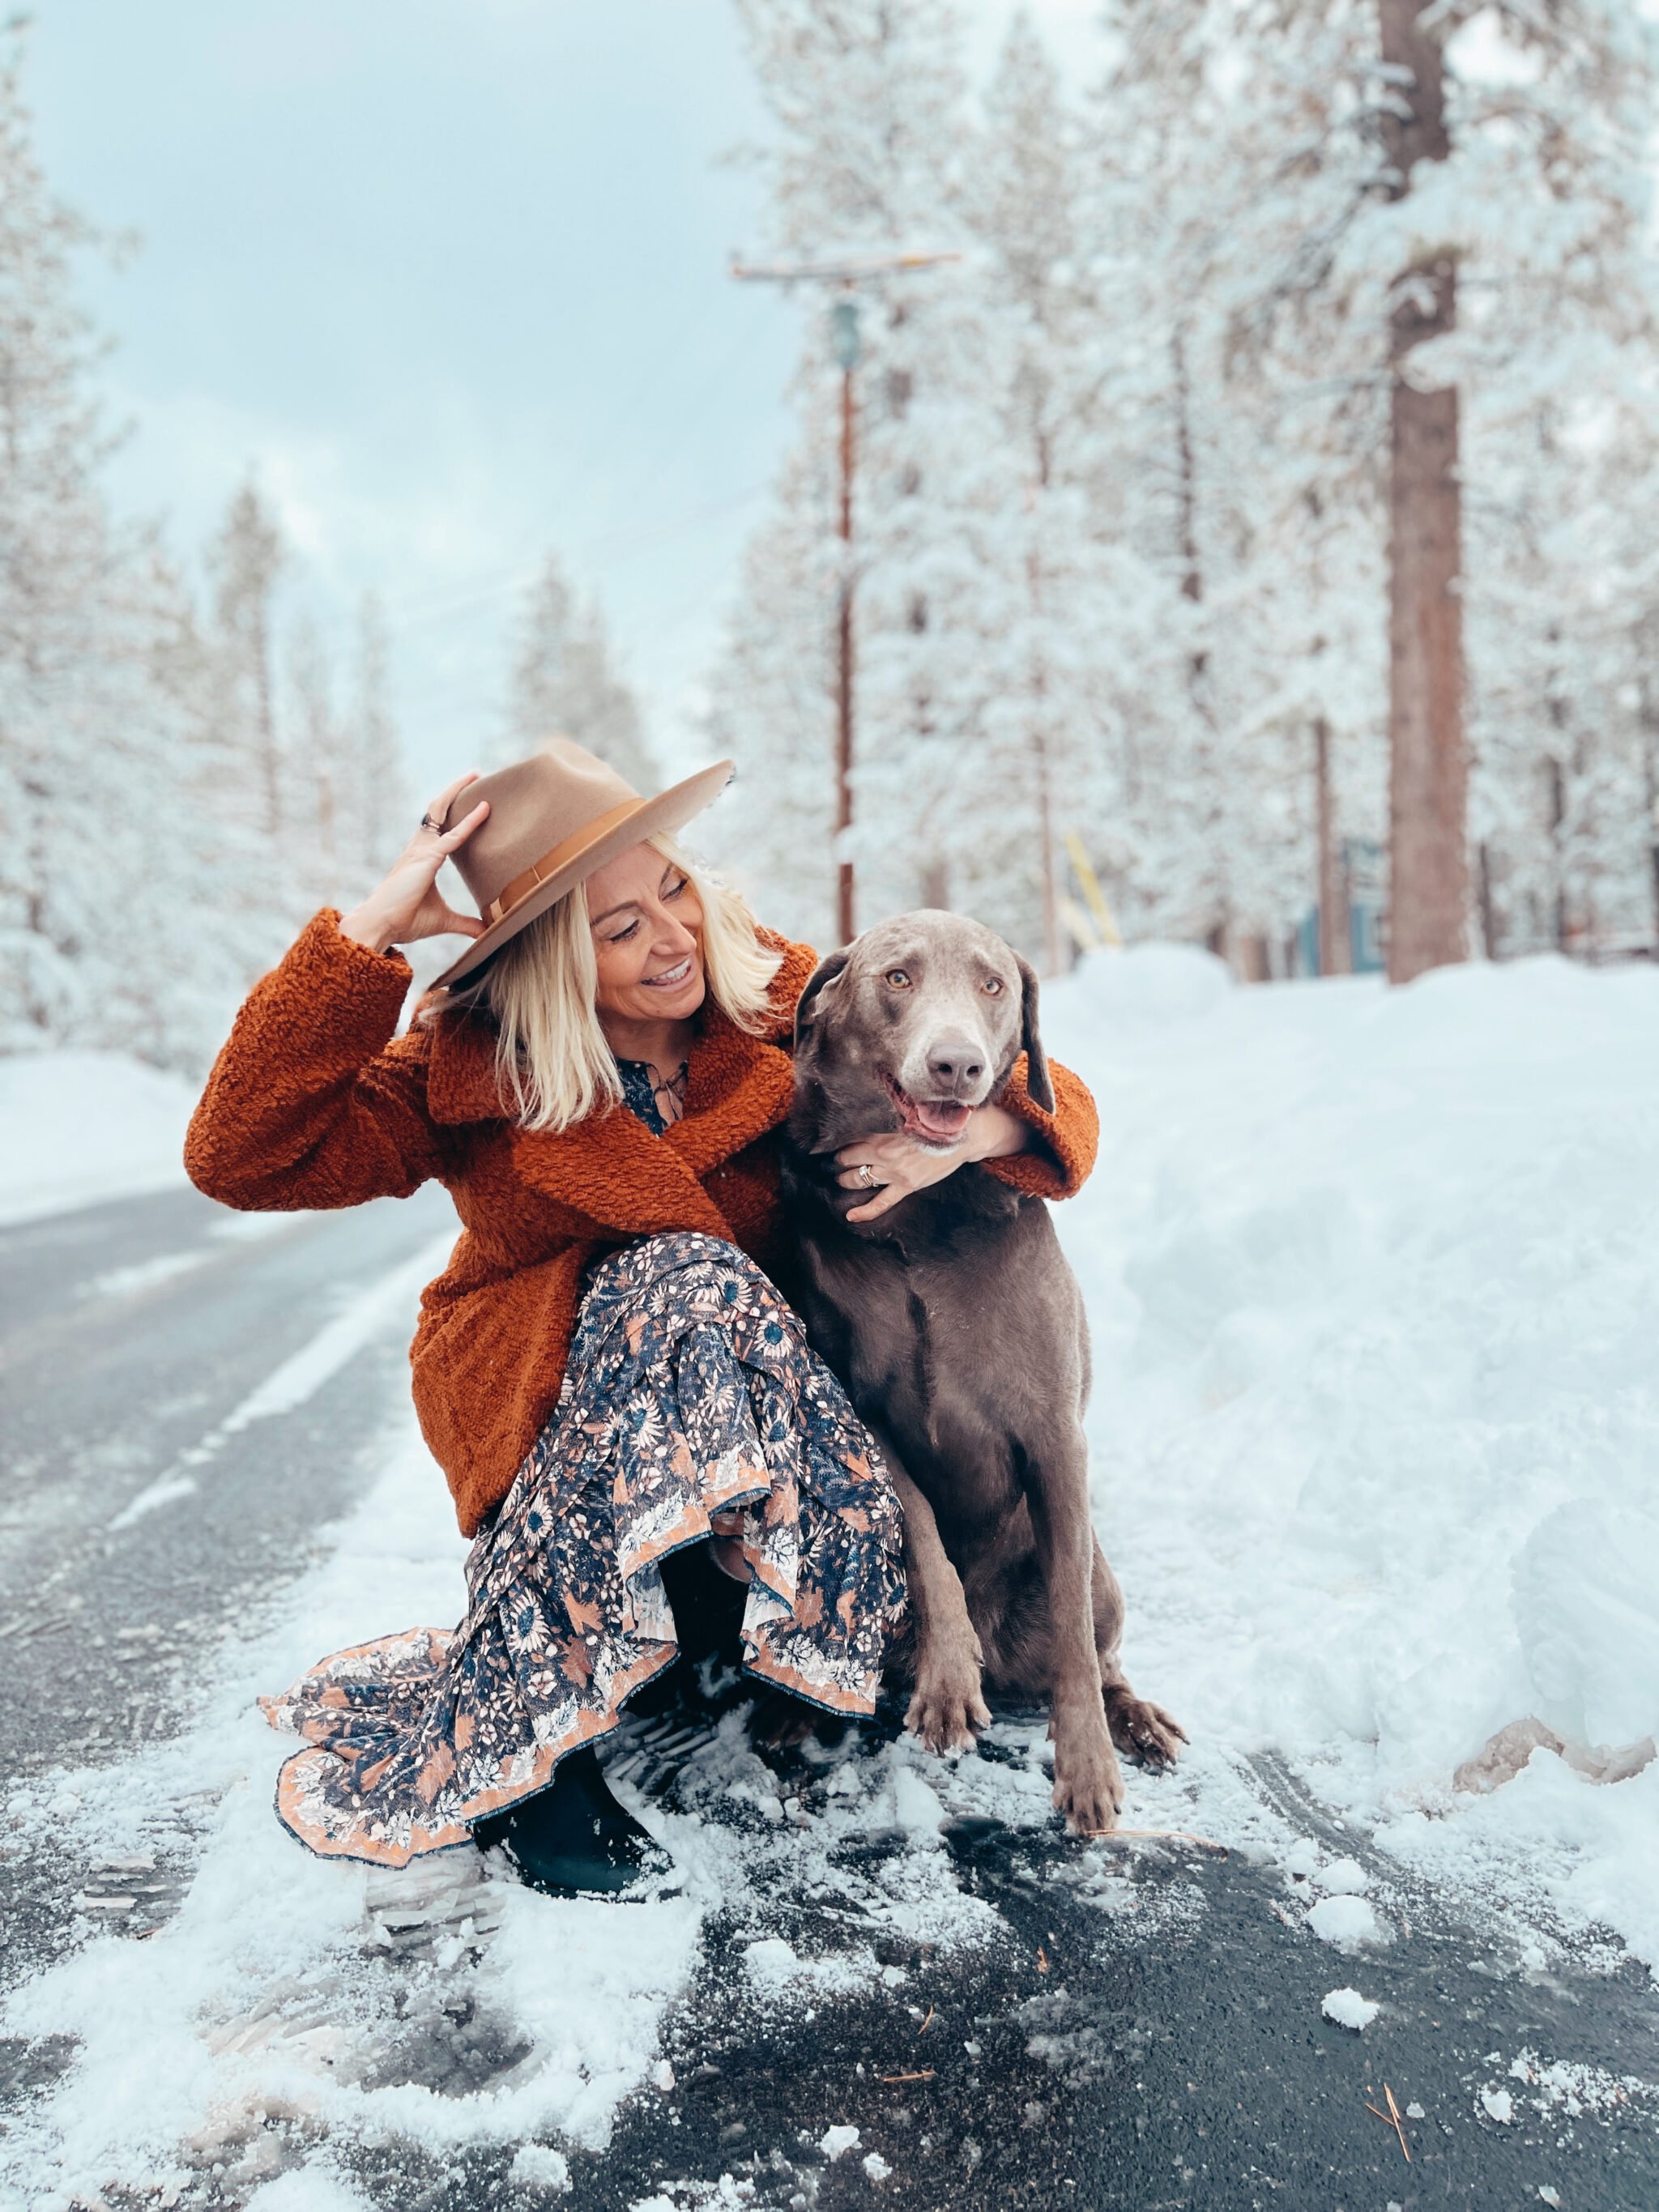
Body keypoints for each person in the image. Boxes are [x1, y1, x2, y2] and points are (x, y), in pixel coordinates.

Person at [185, 743, 1098, 1895]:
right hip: (571, 1441)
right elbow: (238, 1151)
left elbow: (1043, 1092)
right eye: (616, 928)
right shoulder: (478, 1069)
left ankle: (744, 1660)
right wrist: (372, 929)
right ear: (550, 957)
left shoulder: (778, 1007)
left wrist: (974, 1138)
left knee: (720, 1298)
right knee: (679, 1271)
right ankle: (531, 1760)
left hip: (764, 1450)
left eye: (671, 887)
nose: (670, 936)